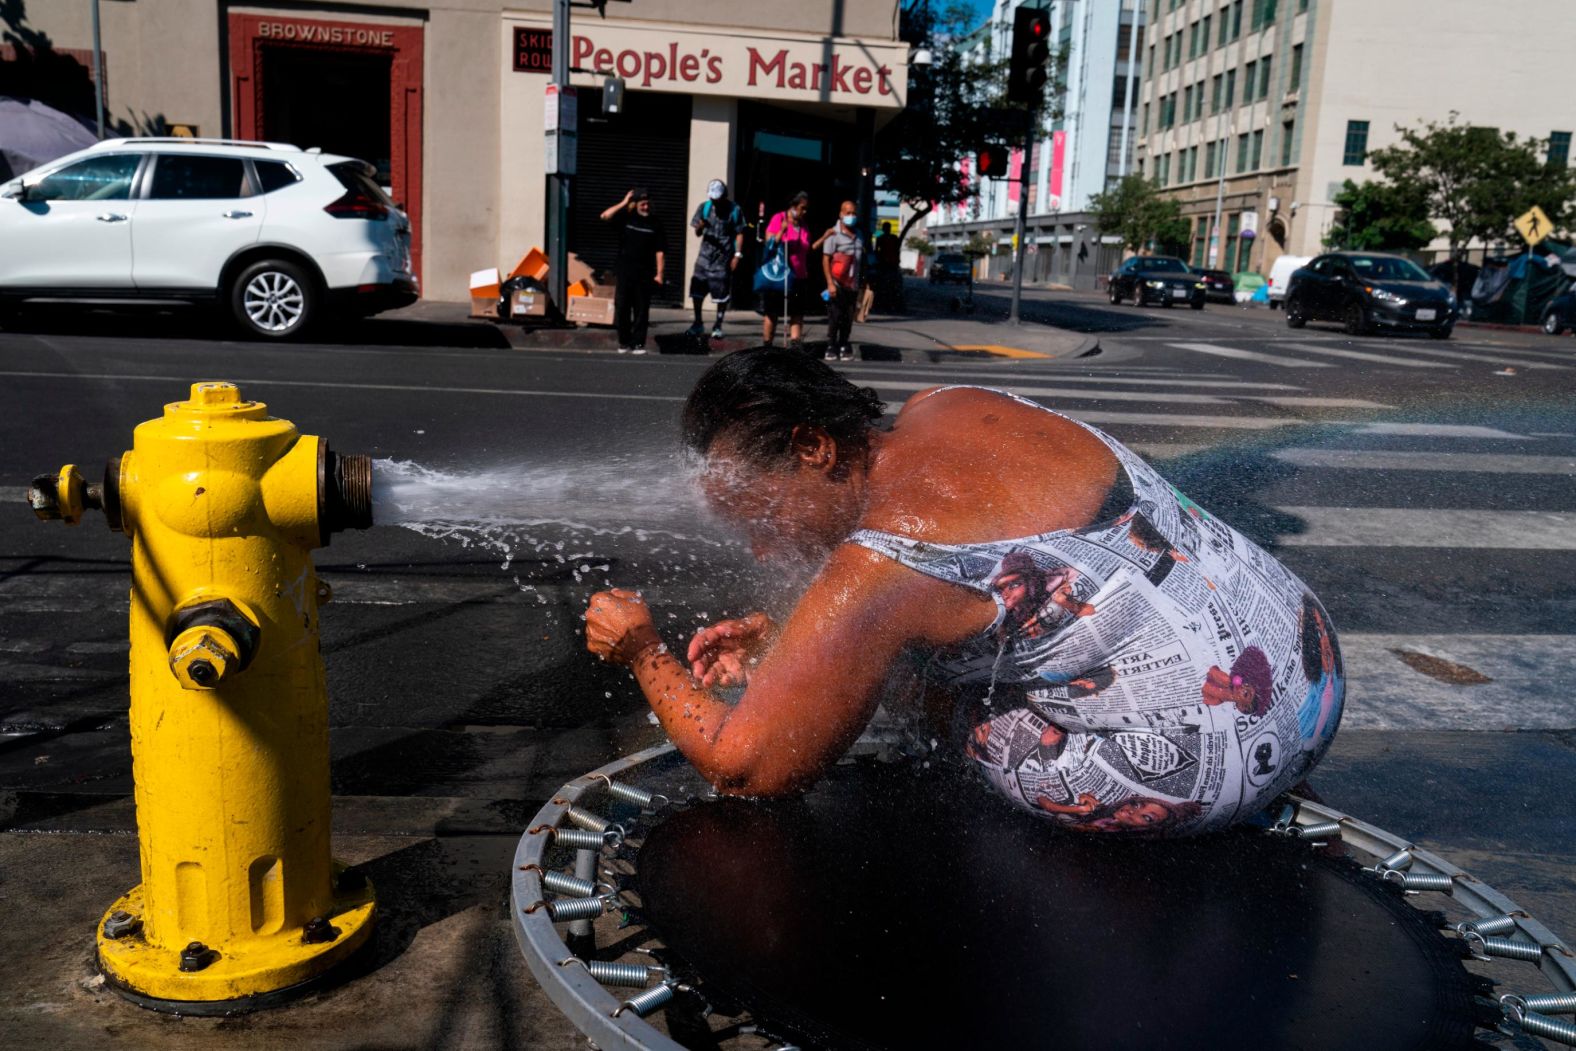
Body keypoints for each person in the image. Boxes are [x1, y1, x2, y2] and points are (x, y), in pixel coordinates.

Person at [584, 350, 1345, 837]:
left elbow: (748, 767)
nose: (762, 545)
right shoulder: (943, 402)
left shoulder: (881, 565)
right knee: (890, 645)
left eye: (763, 514)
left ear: (814, 446)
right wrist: (797, 640)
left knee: (905, 680)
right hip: (1306, 655)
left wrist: (645, 652)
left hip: (1218, 760)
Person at [600, 187, 666, 354]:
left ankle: (638, 344)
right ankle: (624, 342)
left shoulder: (655, 224)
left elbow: (660, 251)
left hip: (645, 273)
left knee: (641, 309)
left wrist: (659, 274)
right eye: (642, 204)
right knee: (622, 307)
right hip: (624, 271)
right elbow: (605, 216)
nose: (646, 207)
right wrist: (624, 202)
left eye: (648, 204)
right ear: (636, 204)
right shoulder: (626, 219)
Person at [687, 179, 745, 342]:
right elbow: (697, 233)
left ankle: (718, 325)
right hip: (704, 259)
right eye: (712, 199)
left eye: (717, 199)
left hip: (723, 260)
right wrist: (701, 226)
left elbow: (740, 232)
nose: (715, 202)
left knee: (721, 294)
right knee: (697, 292)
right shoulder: (704, 208)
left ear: (724, 196)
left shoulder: (735, 210)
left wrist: (737, 255)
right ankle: (697, 322)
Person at [759, 192, 813, 350]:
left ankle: (795, 345)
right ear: (794, 207)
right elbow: (769, 242)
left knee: (797, 311)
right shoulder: (779, 218)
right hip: (779, 276)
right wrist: (782, 231)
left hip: (798, 275)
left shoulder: (803, 225)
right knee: (773, 311)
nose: (804, 212)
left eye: (806, 209)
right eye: (802, 208)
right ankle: (767, 345)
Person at [820, 200, 864, 362]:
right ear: (841, 214)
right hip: (837, 282)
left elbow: (861, 260)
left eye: (853, 213)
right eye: (848, 213)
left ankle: (844, 344)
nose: (851, 216)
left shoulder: (859, 235)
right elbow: (826, 259)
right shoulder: (834, 234)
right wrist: (830, 283)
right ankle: (831, 345)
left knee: (848, 316)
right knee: (835, 316)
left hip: (853, 284)